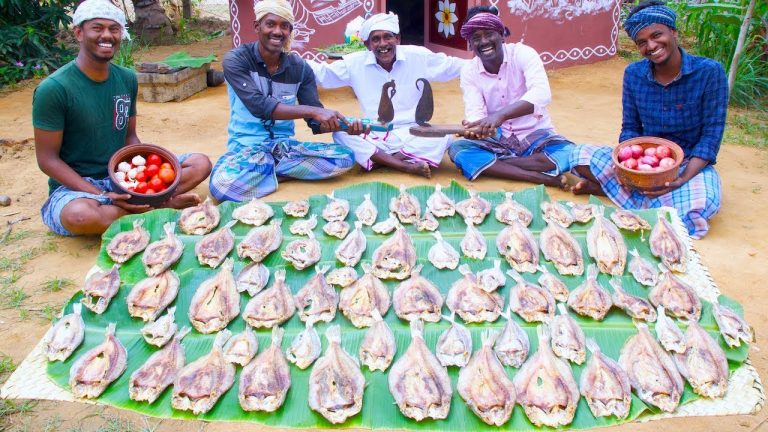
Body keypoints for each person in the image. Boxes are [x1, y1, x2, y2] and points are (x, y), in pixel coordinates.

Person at [33, 0, 212, 236]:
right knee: (80, 216)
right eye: (97, 28)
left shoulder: (126, 78)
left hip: (121, 174)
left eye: (114, 29)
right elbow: (47, 160)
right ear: (78, 33)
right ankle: (157, 207)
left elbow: (130, 137)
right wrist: (100, 194)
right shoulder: (54, 89)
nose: (107, 35)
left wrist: (145, 177)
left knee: (200, 164)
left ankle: (142, 204)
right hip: (78, 186)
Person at [570, 0, 727, 238]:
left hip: (687, 163)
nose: (651, 46)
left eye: (657, 35)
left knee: (703, 203)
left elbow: (712, 134)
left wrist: (682, 177)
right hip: (642, 162)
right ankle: (650, 198)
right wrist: (627, 170)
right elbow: (630, 128)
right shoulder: (633, 74)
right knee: (578, 156)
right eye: (642, 42)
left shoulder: (709, 72)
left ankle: (619, 194)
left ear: (673, 32)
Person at [209, 0, 358, 202]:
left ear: (290, 31)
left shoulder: (300, 68)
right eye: (270, 24)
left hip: (285, 150)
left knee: (345, 157)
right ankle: (277, 172)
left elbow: (315, 122)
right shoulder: (237, 60)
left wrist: (347, 126)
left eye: (285, 26)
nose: (278, 31)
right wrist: (313, 111)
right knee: (222, 187)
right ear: (257, 26)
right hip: (247, 149)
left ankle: (264, 173)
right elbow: (260, 106)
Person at [309, 12, 467, 178]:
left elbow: (454, 66)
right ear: (368, 45)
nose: (383, 44)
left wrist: (483, 62)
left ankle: (380, 161)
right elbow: (321, 74)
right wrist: (291, 60)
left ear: (397, 39)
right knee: (341, 134)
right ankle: (405, 165)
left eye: (387, 37)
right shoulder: (354, 63)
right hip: (374, 131)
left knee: (444, 137)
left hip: (413, 131)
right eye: (376, 39)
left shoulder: (419, 56)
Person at [447, 7, 575, 186]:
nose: (484, 42)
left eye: (489, 34)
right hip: (500, 140)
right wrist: (475, 129)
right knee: (457, 149)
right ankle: (538, 177)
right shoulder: (469, 70)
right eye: (476, 37)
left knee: (569, 153)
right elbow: (475, 111)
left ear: (502, 35)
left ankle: (496, 165)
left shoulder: (523, 53)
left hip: (537, 136)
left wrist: (500, 115)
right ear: (470, 43)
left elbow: (542, 93)